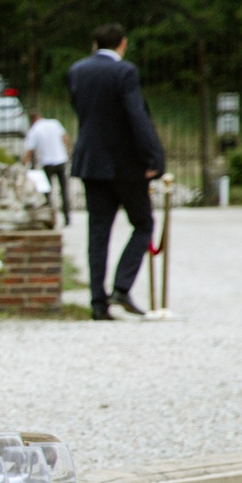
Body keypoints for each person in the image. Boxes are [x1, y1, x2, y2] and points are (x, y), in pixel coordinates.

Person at [67, 22, 166, 320]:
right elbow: (136, 117)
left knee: (98, 232)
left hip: (91, 162)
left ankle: (98, 302)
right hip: (125, 165)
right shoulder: (125, 72)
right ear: (122, 43)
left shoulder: (77, 71)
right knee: (143, 224)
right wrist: (154, 157)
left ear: (94, 45)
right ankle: (121, 286)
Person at [23, 111, 70, 227]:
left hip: (47, 163)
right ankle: (67, 217)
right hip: (61, 160)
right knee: (63, 190)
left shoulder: (34, 130)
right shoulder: (54, 123)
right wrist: (68, 153)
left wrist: (24, 164)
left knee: (47, 192)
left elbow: (29, 151)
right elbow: (65, 138)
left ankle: (50, 217)